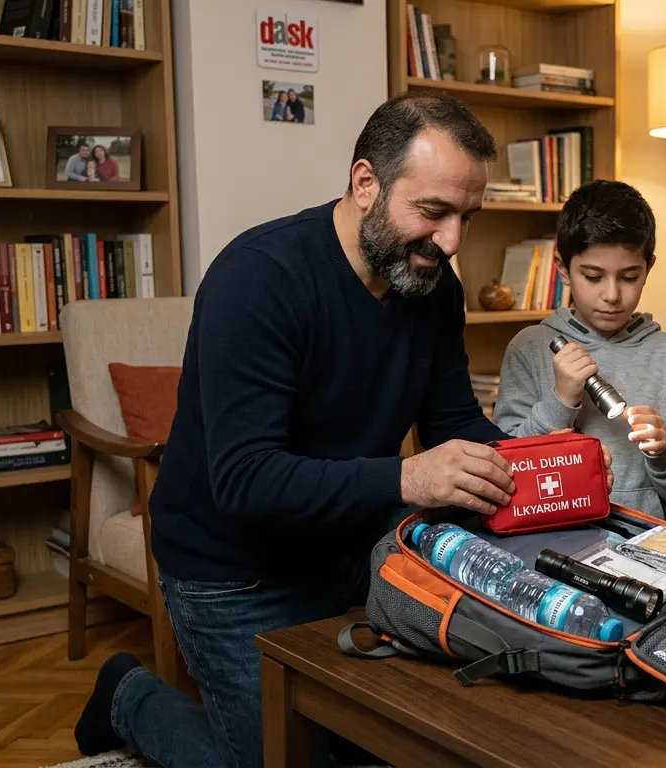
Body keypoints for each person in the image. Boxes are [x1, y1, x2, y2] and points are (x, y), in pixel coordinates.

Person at [73, 91, 525, 768]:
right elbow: (245, 480)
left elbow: (455, 421)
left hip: (353, 548)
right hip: (232, 571)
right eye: (433, 212)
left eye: (467, 217)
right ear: (366, 183)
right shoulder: (258, 279)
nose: (452, 241)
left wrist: (545, 464)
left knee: (403, 738)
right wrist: (408, 476)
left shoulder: (434, 286)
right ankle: (128, 696)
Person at [493, 180, 666, 521]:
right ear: (563, 269)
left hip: (648, 535)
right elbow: (505, 468)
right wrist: (560, 401)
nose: (611, 295)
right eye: (593, 277)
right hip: (555, 532)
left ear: (649, 268)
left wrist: (664, 453)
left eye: (629, 277)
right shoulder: (529, 348)